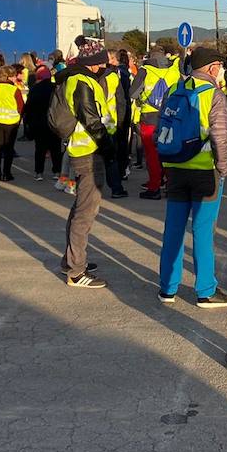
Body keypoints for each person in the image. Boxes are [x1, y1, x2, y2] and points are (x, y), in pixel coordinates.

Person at [157, 47, 227, 308]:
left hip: (176, 167)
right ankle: (205, 290)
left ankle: (167, 288)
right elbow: (221, 137)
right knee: (203, 230)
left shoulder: (174, 89)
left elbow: (162, 126)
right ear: (214, 68)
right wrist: (223, 168)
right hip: (205, 172)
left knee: (174, 229)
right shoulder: (213, 94)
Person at [60, 45, 113, 289]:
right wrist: (108, 145)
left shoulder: (77, 78)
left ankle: (72, 260)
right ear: (95, 63)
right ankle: (76, 271)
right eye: (103, 63)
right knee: (85, 212)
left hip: (83, 151)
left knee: (79, 209)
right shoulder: (82, 82)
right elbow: (91, 118)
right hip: (88, 153)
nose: (105, 67)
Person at [131, 44, 182, 200]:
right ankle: (170, 185)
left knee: (152, 155)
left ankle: (154, 187)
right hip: (171, 116)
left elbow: (132, 93)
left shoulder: (145, 71)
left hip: (150, 117)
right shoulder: (175, 69)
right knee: (168, 152)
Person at [23, 65, 61, 182]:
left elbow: (28, 107)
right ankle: (57, 171)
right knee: (55, 148)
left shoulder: (35, 89)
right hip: (54, 122)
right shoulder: (56, 88)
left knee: (40, 148)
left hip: (39, 123)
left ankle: (39, 172)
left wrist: (28, 122)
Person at [0, 65, 24, 181]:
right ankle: (7, 173)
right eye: (13, 76)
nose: (15, 78)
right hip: (11, 122)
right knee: (8, 148)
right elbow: (21, 106)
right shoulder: (14, 90)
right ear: (8, 77)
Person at [100, 50, 128, 198]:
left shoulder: (93, 76)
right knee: (111, 157)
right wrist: (122, 124)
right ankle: (116, 188)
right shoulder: (112, 77)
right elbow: (121, 101)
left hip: (96, 120)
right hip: (110, 121)